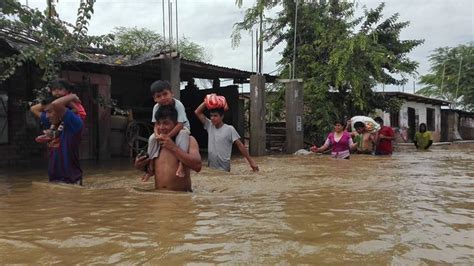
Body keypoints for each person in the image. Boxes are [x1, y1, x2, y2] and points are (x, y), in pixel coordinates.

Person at [134, 105, 201, 191]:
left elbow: (198, 166)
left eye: (166, 123)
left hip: (181, 199)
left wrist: (173, 147)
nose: (161, 128)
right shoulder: (156, 143)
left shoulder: (189, 140)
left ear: (176, 124)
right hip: (158, 197)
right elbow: (152, 171)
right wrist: (139, 165)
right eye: (158, 123)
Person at [30, 94, 84, 185]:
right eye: (46, 112)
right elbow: (33, 109)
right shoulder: (53, 123)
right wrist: (51, 100)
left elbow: (56, 103)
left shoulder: (73, 124)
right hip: (55, 182)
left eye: (49, 112)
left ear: (61, 110)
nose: (46, 116)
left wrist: (72, 96)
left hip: (71, 183)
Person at [143, 80, 191, 180]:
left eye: (165, 94)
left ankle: (182, 164)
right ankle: (150, 164)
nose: (163, 98)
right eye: (159, 96)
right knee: (152, 138)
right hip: (164, 129)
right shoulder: (156, 107)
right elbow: (156, 123)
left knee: (183, 134)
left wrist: (167, 137)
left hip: (182, 127)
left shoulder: (178, 105)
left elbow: (180, 124)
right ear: (155, 98)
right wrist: (157, 135)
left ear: (172, 93)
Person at [194, 100, 259, 172]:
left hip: (224, 167)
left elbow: (240, 146)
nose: (212, 118)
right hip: (211, 167)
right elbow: (197, 112)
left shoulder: (229, 129)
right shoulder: (210, 125)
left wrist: (251, 162)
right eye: (211, 116)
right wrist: (207, 101)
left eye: (215, 116)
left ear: (222, 117)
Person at [33, 79, 86, 143]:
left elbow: (76, 110)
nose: (57, 92)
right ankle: (51, 132)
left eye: (60, 89)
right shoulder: (58, 101)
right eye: (54, 90)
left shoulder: (68, 99)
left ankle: (54, 134)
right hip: (66, 116)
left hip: (79, 115)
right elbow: (34, 108)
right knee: (58, 122)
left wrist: (63, 115)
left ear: (67, 90)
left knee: (62, 123)